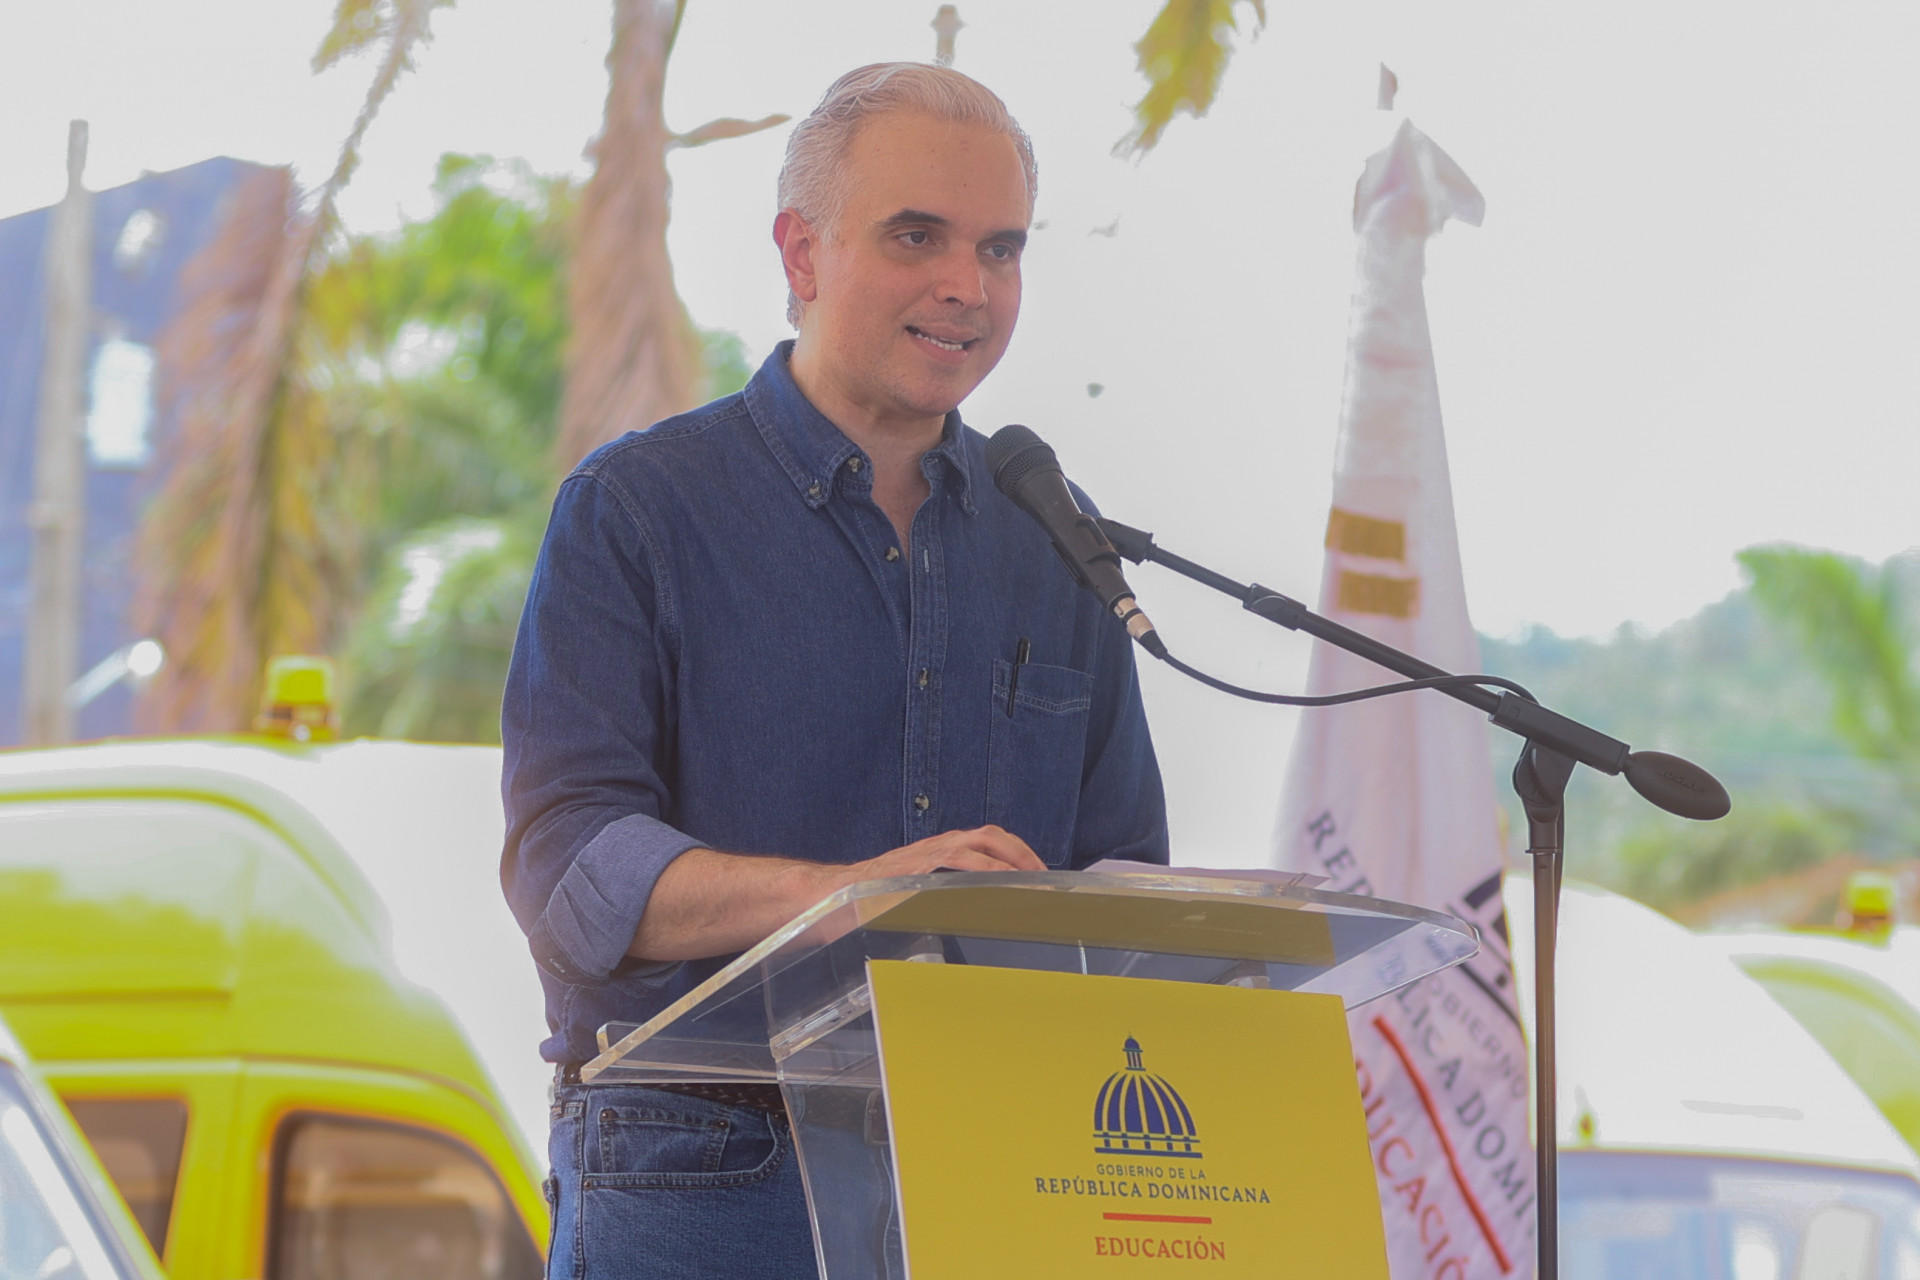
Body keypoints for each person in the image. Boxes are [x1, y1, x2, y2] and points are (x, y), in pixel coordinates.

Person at [501, 62, 1169, 1278]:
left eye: (1002, 248)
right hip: (707, 1178)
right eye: (918, 236)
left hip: (1004, 1170)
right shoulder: (638, 509)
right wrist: (852, 896)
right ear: (800, 253)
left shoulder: (1053, 537)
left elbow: (1127, 881)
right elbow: (571, 864)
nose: (968, 285)